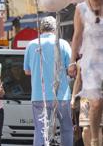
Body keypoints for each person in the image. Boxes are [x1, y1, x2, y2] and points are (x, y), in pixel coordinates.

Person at [67, 0, 103, 146]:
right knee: (95, 103)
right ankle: (95, 138)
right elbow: (77, 36)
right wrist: (73, 61)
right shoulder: (80, 8)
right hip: (91, 62)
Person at [24, 16, 74, 146]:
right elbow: (71, 69)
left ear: (40, 29)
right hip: (61, 95)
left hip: (39, 95)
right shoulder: (62, 44)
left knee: (40, 130)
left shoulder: (32, 44)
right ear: (55, 29)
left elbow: (27, 71)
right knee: (66, 128)